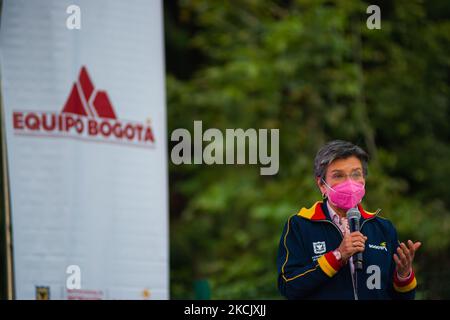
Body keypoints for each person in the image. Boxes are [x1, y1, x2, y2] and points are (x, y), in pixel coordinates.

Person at [277, 140, 421, 299]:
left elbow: (403, 297)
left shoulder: (382, 228)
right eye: (338, 175)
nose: (349, 182)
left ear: (364, 179)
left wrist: (403, 275)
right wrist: (338, 256)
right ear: (322, 185)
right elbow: (288, 286)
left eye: (356, 174)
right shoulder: (300, 225)